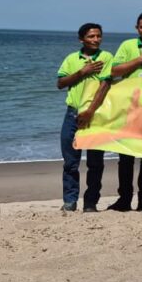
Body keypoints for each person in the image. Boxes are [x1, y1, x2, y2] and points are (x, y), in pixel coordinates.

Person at [85, 11, 142, 212]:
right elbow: (114, 72)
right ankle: (124, 199)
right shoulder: (127, 46)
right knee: (125, 158)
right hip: (128, 109)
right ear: (137, 28)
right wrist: (140, 60)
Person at [56, 23, 113, 212]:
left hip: (96, 116)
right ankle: (70, 201)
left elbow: (105, 86)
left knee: (95, 163)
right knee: (71, 162)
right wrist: (82, 72)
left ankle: (91, 203)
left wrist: (90, 111)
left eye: (98, 36)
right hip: (72, 114)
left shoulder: (106, 57)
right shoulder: (72, 58)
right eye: (91, 36)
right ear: (81, 39)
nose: (96, 39)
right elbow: (60, 83)